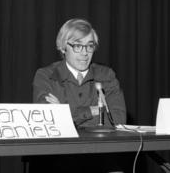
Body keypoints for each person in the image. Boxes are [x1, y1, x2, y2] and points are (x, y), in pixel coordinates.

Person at [28, 18, 131, 173]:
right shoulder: (45, 76)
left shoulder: (107, 75)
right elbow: (51, 122)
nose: (84, 53)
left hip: (99, 157)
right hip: (57, 158)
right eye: (77, 46)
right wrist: (94, 110)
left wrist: (66, 113)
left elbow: (117, 120)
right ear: (63, 48)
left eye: (89, 46)